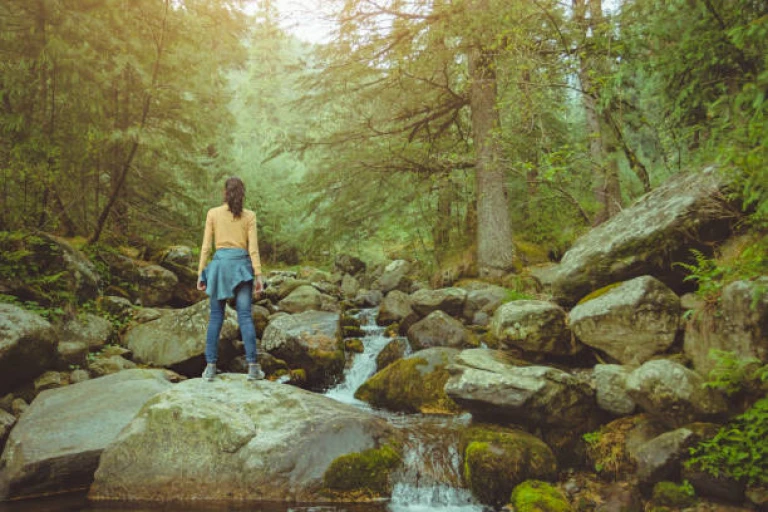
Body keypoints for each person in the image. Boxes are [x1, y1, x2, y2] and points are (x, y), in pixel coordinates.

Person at [196, 177, 265, 381]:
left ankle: (210, 368)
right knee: (245, 316)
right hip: (242, 268)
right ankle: (253, 368)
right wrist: (259, 275)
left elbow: (206, 247)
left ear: (225, 193)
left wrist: (201, 272)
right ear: (242, 194)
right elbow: (253, 248)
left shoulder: (213, 213)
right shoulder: (250, 216)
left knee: (216, 317)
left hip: (219, 268)